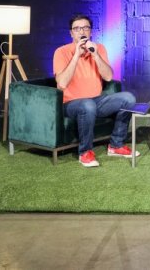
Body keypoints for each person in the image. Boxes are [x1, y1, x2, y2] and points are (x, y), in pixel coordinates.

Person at [54, 14, 138, 168]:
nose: (81, 32)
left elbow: (108, 76)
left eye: (85, 28)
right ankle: (85, 152)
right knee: (87, 105)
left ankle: (116, 145)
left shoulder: (99, 48)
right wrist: (77, 55)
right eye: (77, 29)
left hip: (96, 101)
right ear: (71, 33)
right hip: (71, 104)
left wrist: (95, 54)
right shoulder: (61, 52)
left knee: (129, 98)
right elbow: (62, 83)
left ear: (90, 31)